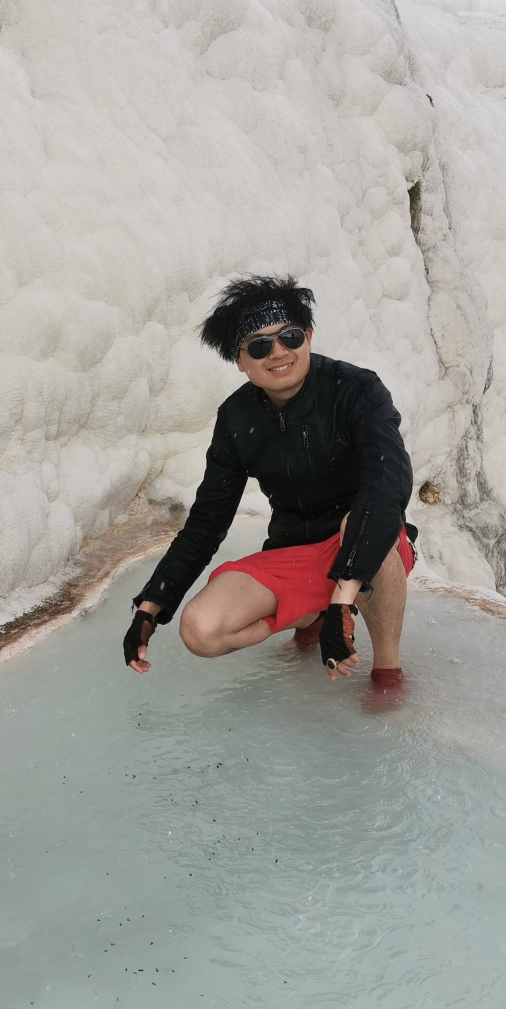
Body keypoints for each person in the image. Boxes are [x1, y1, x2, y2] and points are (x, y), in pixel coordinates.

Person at [122, 275, 415, 695]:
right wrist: (149, 608)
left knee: (368, 520)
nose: (278, 352)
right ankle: (308, 614)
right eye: (259, 345)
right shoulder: (237, 418)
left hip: (366, 540)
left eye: (289, 337)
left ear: (308, 336)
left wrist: (343, 600)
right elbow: (208, 520)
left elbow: (389, 485)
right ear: (239, 360)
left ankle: (387, 671)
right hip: (293, 551)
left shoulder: (356, 390)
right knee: (200, 629)